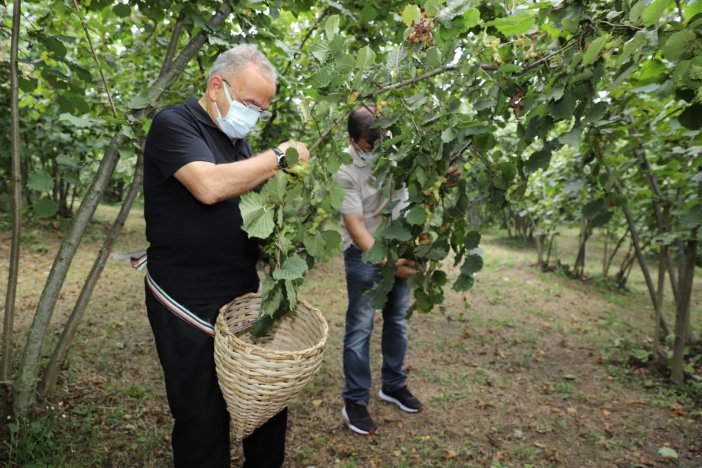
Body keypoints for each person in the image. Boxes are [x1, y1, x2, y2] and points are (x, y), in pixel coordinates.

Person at [142, 44, 309, 467]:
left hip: (241, 301)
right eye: (251, 103)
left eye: (262, 109)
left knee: (266, 407)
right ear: (217, 86)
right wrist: (279, 157)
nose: (253, 114)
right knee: (202, 418)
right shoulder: (174, 124)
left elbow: (245, 209)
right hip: (185, 300)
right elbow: (209, 186)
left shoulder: (237, 141)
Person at [333, 104, 423, 436]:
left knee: (397, 320)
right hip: (363, 253)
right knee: (360, 326)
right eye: (372, 144)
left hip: (397, 245)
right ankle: (355, 401)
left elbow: (413, 196)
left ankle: (393, 385)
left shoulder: (397, 153)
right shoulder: (344, 170)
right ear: (353, 141)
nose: (379, 149)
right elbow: (357, 229)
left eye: (383, 139)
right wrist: (390, 265)